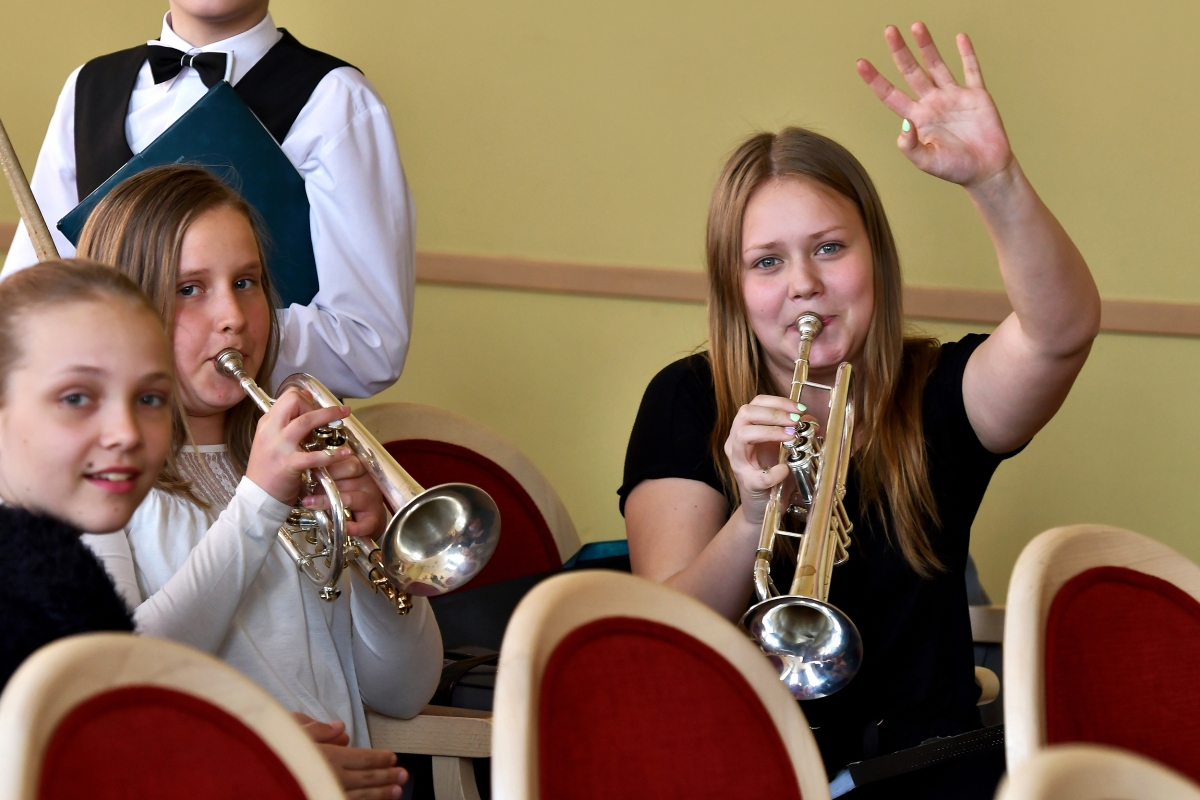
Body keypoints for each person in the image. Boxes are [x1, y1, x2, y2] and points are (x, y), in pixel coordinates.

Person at [619, 23, 1101, 798]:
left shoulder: (937, 388)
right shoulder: (686, 398)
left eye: (830, 248)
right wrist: (751, 516)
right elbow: (665, 636)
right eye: (767, 262)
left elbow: (1061, 333)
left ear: (873, 255)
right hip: (751, 771)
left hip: (930, 773)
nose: (803, 284)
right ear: (735, 290)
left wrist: (996, 180)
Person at [76, 165, 441, 800]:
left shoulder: (304, 468)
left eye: (246, 282)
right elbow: (120, 676)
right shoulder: (95, 477)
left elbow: (405, 691)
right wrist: (260, 502)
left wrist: (376, 553)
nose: (233, 317)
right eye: (190, 288)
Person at [3, 0, 413, 399]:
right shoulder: (88, 86)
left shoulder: (337, 98)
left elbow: (369, 344)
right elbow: (27, 299)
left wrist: (197, 335)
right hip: (107, 425)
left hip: (253, 432)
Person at [0, 259, 174, 687]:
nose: (126, 433)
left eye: (150, 398)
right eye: (76, 398)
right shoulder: (33, 612)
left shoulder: (58, 578)